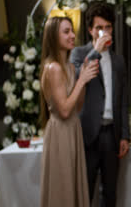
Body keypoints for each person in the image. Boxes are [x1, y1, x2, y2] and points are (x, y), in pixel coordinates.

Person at [70, 2, 130, 207]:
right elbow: (75, 79)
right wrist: (95, 51)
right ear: (90, 30)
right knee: (84, 191)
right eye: (99, 28)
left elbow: (123, 101)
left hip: (111, 134)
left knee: (110, 192)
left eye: (108, 27)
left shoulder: (118, 60)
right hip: (87, 133)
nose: (104, 32)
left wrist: (124, 134)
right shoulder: (79, 54)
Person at [39, 16, 99, 207]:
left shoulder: (70, 67)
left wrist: (82, 77)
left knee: (73, 186)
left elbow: (77, 106)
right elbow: (64, 111)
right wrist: (82, 80)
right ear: (53, 36)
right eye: (66, 32)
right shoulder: (54, 68)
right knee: (62, 187)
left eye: (72, 31)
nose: (72, 35)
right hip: (60, 133)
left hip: (73, 128)